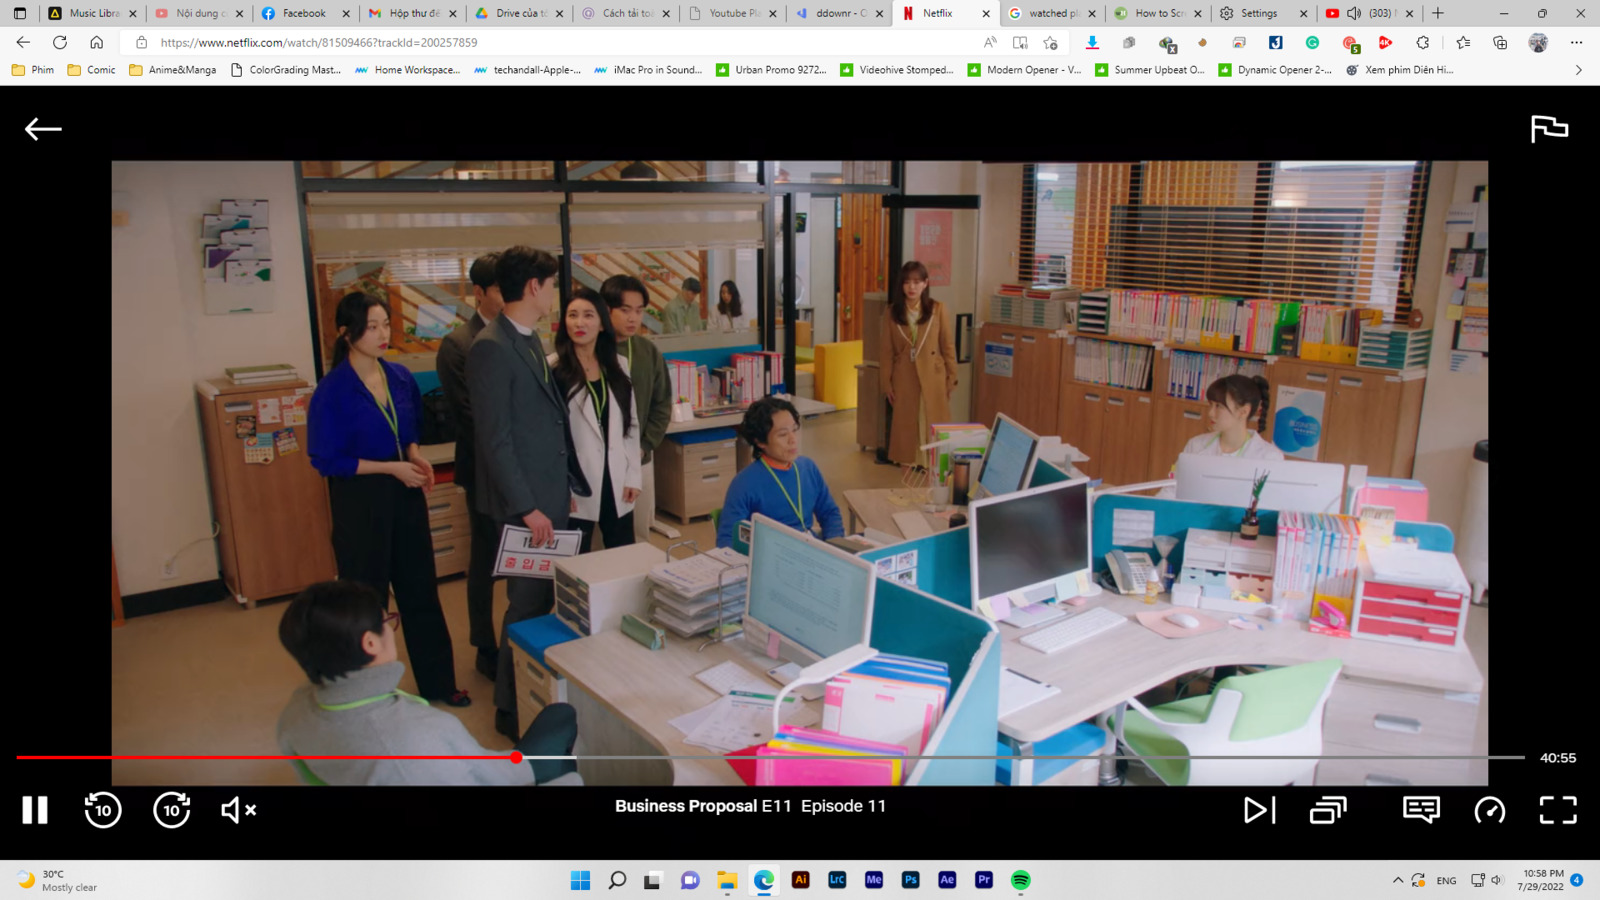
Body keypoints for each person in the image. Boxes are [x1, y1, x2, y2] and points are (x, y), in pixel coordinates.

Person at [307, 291, 470, 708]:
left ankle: (439, 684)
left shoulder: (398, 376)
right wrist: (389, 468)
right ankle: (372, 693)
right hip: (360, 500)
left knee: (421, 592)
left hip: (404, 493)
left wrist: (414, 456)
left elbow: (411, 428)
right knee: (367, 603)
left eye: (385, 325)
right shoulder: (333, 390)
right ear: (347, 334)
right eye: (372, 327)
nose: (383, 334)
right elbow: (327, 460)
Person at [276, 579, 580, 785]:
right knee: (562, 718)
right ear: (369, 643)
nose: (391, 630)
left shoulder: (295, 712)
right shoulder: (414, 738)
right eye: (388, 622)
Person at [466, 245, 587, 740]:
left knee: (541, 603)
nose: (555, 294)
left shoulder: (530, 338)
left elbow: (547, 422)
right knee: (525, 603)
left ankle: (529, 696)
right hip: (526, 508)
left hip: (550, 495)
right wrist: (527, 507)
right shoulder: (491, 347)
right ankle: (509, 706)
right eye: (552, 284)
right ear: (534, 287)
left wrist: (567, 487)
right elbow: (495, 440)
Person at [434, 252, 505, 681]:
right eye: (500, 289)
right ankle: (484, 644)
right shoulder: (458, 344)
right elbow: (471, 415)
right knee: (485, 560)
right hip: (482, 470)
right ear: (479, 293)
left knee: (521, 560)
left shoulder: (522, 336)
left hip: (519, 468)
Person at [550, 287, 641, 553]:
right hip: (576, 481)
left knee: (622, 554)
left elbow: (631, 425)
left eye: (588, 315)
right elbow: (548, 436)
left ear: (602, 323)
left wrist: (633, 475)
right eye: (572, 315)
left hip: (616, 477)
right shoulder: (553, 369)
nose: (579, 323)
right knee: (576, 561)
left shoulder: (618, 365)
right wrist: (560, 487)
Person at [716, 397, 844, 549]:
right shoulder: (744, 483)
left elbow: (830, 514)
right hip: (772, 558)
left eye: (795, 430)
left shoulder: (808, 468)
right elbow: (728, 539)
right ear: (760, 442)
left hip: (810, 552)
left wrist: (836, 548)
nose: (793, 440)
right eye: (783, 435)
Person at [602, 274, 674, 544]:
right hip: (598, 464)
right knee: (601, 545)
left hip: (639, 458)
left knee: (637, 536)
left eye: (639, 310)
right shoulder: (591, 349)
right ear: (606, 309)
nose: (633, 318)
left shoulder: (647, 351)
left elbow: (661, 404)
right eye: (625, 310)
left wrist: (645, 445)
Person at [879, 260, 959, 467]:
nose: (911, 287)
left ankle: (932, 466)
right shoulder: (892, 312)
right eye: (907, 282)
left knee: (932, 420)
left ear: (925, 283)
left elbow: (948, 346)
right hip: (904, 375)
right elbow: (886, 351)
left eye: (916, 282)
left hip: (933, 375)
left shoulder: (937, 309)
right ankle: (910, 464)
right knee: (907, 424)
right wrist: (886, 383)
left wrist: (952, 377)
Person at [1157, 373, 1284, 499]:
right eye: (1210, 405)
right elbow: (1172, 490)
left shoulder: (1270, 457)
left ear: (1243, 412)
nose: (1211, 413)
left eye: (1219, 406)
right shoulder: (1196, 445)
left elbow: (1271, 506)